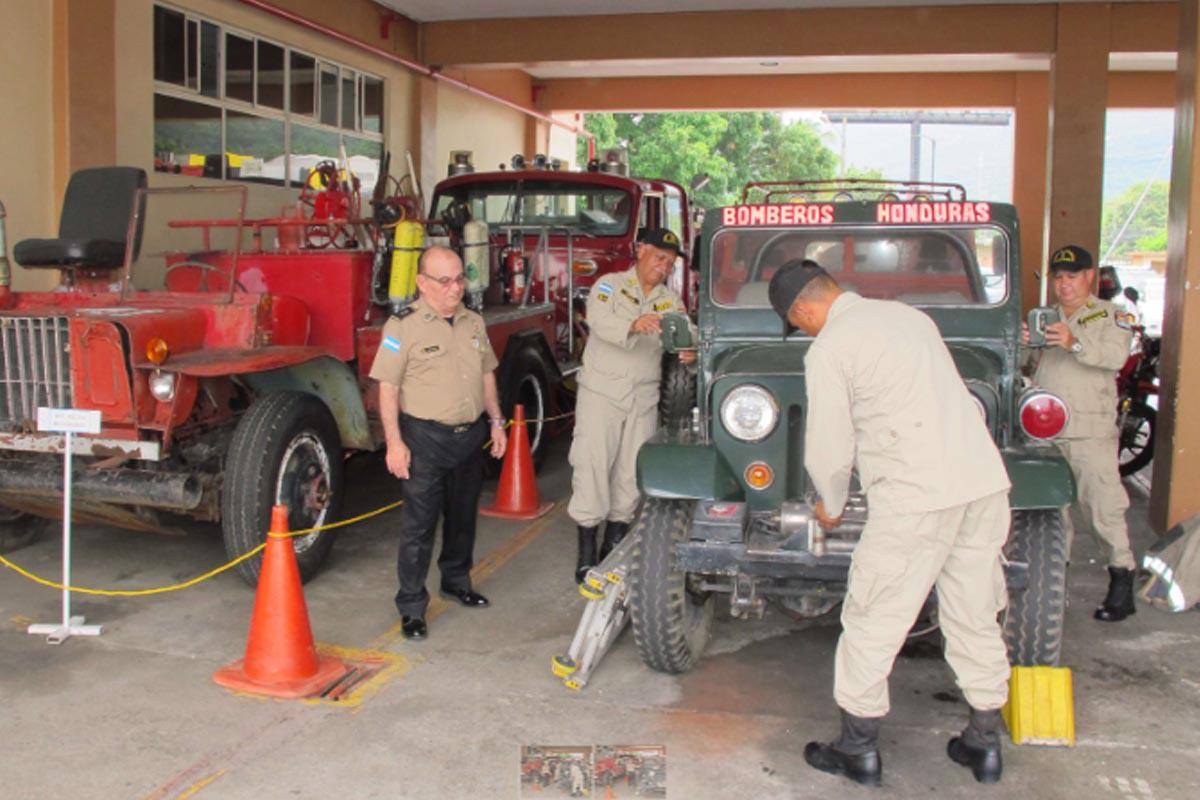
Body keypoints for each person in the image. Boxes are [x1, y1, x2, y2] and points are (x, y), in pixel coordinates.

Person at [768, 259, 1013, 786]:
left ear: (806, 309)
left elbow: (831, 444)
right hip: (981, 484)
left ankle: (857, 750)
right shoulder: (910, 318)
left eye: (799, 322)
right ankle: (983, 744)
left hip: (916, 497)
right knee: (974, 612)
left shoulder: (831, 348)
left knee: (872, 618)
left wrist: (829, 503)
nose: (804, 331)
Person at [368, 246, 508, 640]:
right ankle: (412, 606)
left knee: (463, 517)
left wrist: (496, 422)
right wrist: (394, 443)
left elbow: (487, 376)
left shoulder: (473, 322)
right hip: (425, 439)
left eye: (460, 278)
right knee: (419, 527)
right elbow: (388, 387)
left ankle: (457, 580)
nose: (455, 288)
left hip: (469, 437)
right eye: (445, 281)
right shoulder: (402, 328)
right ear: (422, 283)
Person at [568, 228, 696, 582]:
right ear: (640, 251)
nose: (664, 266)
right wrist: (633, 323)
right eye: (659, 257)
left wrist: (690, 348)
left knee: (629, 472)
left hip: (643, 395)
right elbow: (598, 319)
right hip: (602, 393)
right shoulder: (609, 286)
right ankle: (585, 555)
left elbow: (688, 331)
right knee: (592, 465)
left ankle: (613, 548)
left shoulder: (671, 301)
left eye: (670, 262)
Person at [1024, 244, 1137, 621]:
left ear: (1089, 276)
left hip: (1090, 431)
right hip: (1046, 431)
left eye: (1072, 276)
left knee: (1104, 509)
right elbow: (1028, 368)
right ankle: (1054, 590)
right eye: (1058, 277)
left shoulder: (1111, 316)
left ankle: (1122, 581)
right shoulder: (1045, 317)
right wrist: (1024, 344)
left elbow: (1114, 358)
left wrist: (1074, 342)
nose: (1064, 284)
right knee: (1053, 516)